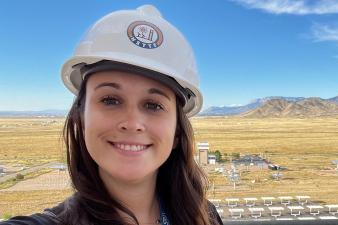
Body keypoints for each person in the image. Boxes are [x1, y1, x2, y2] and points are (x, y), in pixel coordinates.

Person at [1, 4, 223, 225]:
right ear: (81, 118)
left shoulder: (204, 216)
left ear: (176, 131)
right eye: (110, 100)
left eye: (153, 105)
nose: (132, 123)